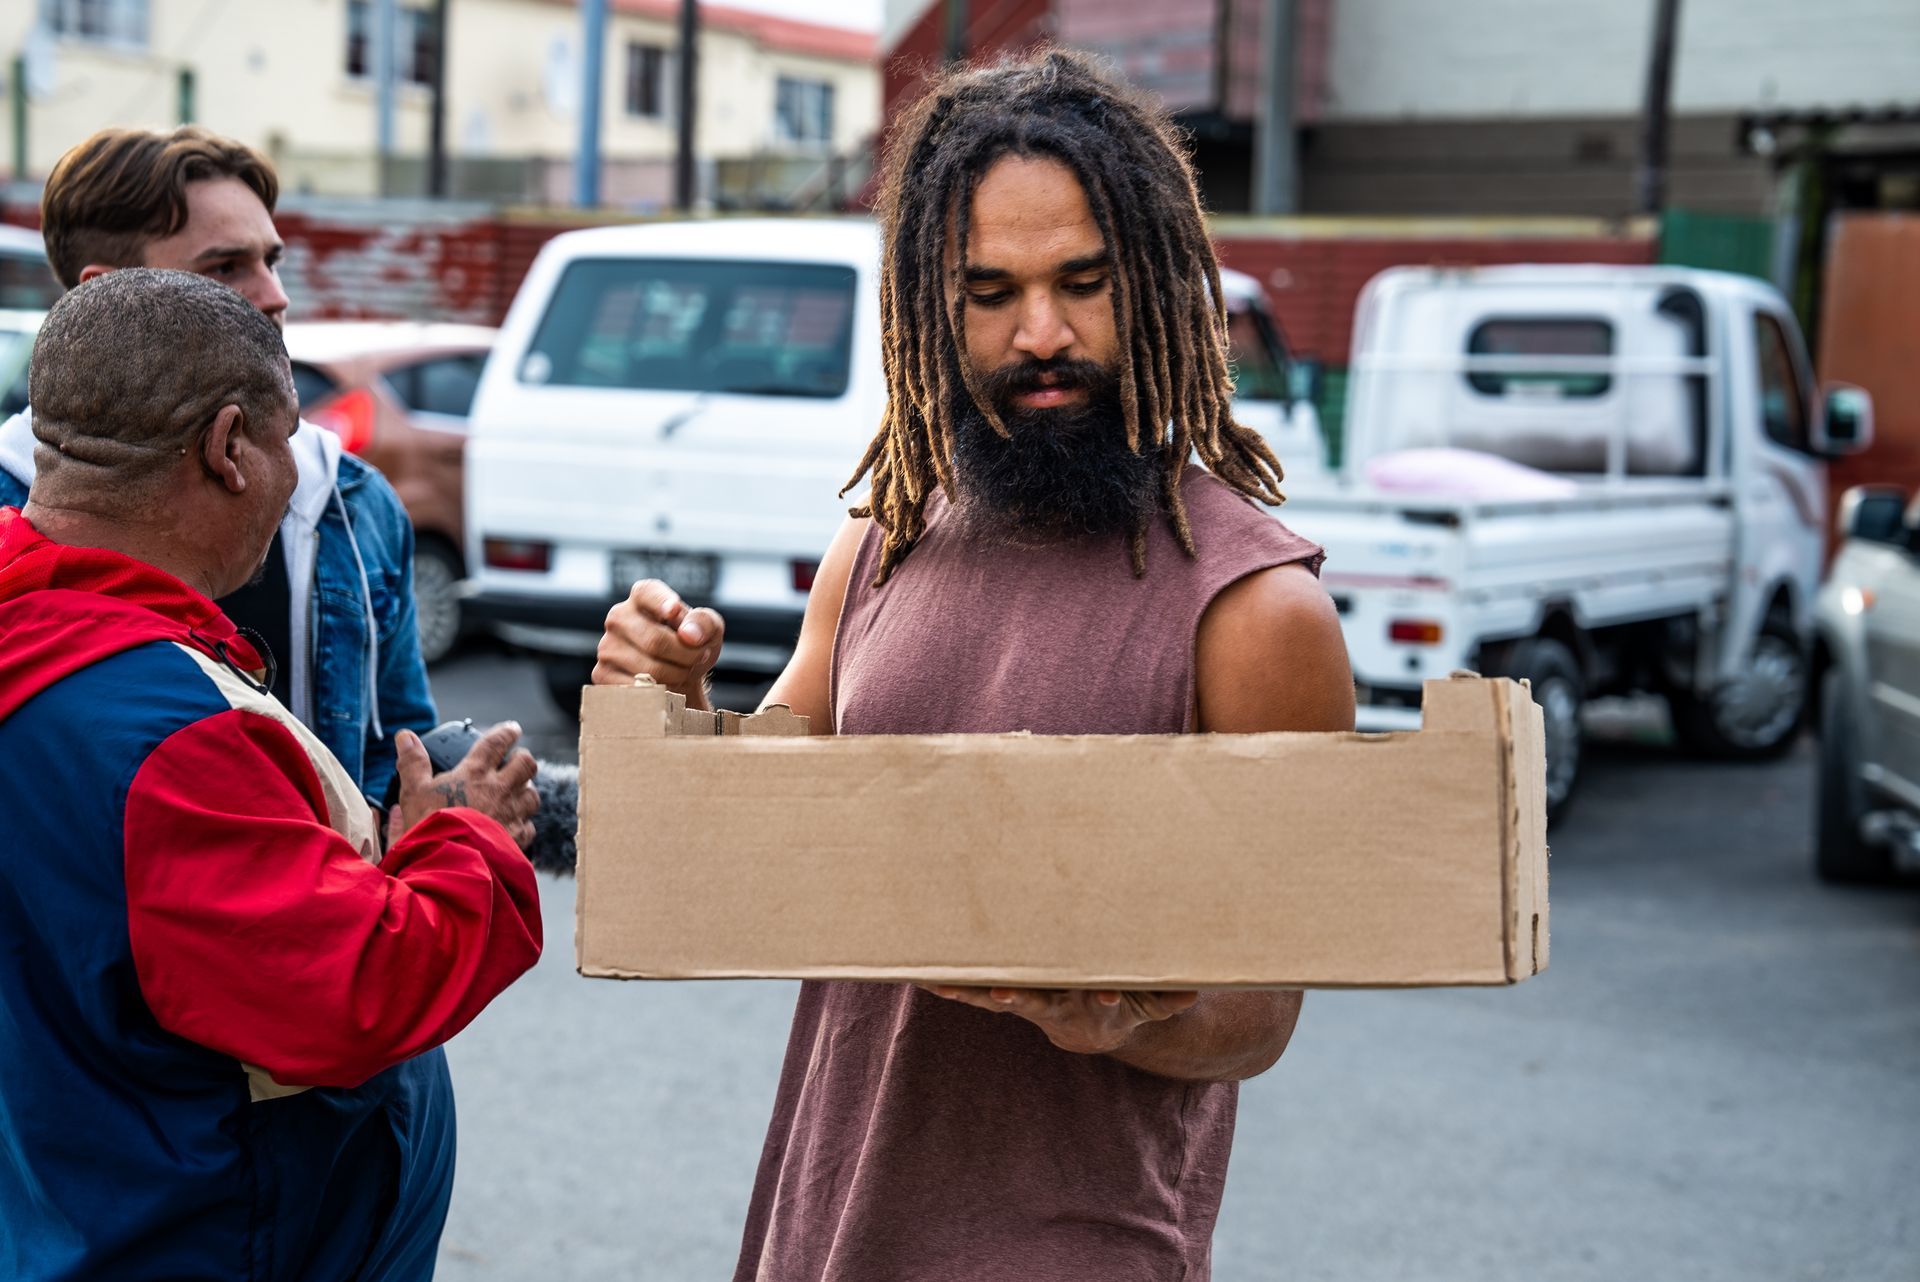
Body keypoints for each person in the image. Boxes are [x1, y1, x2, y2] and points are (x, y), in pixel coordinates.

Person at [594, 49, 1355, 1282]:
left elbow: (1262, 1013)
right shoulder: (882, 539)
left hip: (1075, 1247)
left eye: (1084, 284)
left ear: (1156, 285)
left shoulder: (1256, 607)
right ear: (927, 308)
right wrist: (675, 713)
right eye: (989, 291)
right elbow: (769, 827)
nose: (1041, 334)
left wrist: (1112, 1011)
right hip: (828, 1215)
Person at [0, 269, 543, 1281]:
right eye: (291, 441)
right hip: (192, 1231)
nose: (303, 475)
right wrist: (462, 834)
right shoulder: (162, 733)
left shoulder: (37, 630)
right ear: (229, 447)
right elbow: (356, 991)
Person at [0, 125, 435, 807]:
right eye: (227, 267)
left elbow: (402, 753)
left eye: (273, 259)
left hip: (334, 911)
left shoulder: (353, 503)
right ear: (111, 297)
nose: (273, 294)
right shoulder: (9, 502)